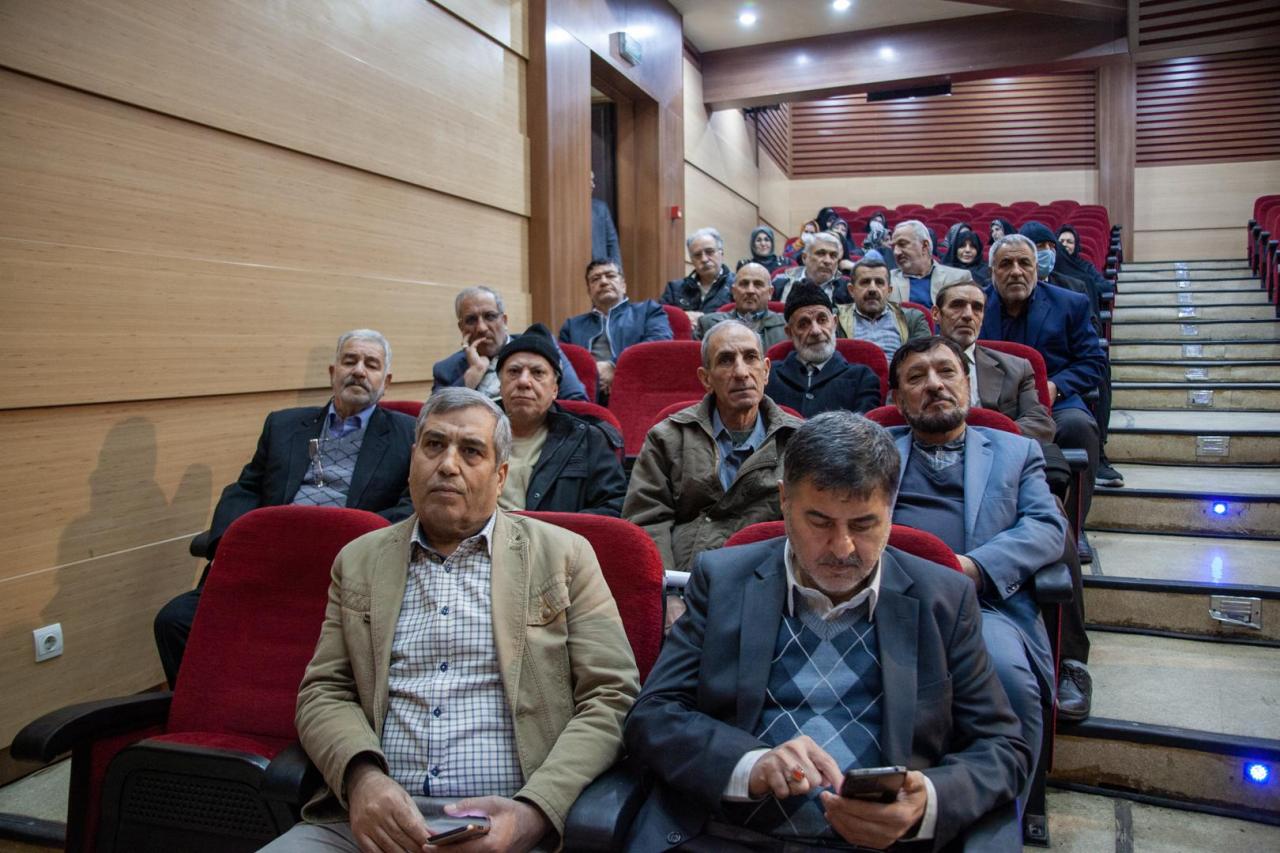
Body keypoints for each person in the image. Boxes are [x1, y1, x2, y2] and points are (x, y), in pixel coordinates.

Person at [623, 411, 1031, 851]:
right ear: (784, 500)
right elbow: (654, 715)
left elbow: (1002, 747)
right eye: (819, 522)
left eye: (863, 524)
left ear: (891, 508)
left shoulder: (944, 599)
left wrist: (926, 802)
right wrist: (748, 764)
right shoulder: (722, 580)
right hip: (724, 836)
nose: (842, 548)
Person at [260, 388, 640, 853]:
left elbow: (611, 695)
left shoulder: (564, 556)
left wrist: (536, 811)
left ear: (501, 476)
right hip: (371, 826)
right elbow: (323, 691)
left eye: (471, 451)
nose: (447, 465)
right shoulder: (359, 561)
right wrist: (361, 778)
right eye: (434, 445)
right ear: (412, 460)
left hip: (510, 828)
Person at [154, 330, 416, 688]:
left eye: (371, 364)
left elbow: (410, 506)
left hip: (346, 571)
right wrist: (230, 547)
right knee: (174, 620)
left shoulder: (408, 434)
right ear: (333, 372)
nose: (358, 370)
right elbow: (246, 488)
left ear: (386, 382)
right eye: (350, 360)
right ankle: (213, 703)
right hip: (270, 563)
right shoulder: (283, 425)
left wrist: (355, 543)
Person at [887, 335, 1068, 816]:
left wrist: (975, 567)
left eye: (946, 372)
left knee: (1008, 678)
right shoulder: (876, 450)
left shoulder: (1016, 451)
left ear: (967, 384)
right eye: (917, 377)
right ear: (898, 399)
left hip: (983, 605)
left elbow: (1046, 527)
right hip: (885, 598)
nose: (934, 384)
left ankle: (1003, 819)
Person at [623, 321, 801, 574]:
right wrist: (667, 587)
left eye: (750, 357)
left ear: (766, 370)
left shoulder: (799, 441)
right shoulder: (668, 437)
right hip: (687, 579)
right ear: (706, 378)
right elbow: (646, 521)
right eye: (726, 360)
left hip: (772, 577)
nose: (741, 372)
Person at [979, 233, 1105, 567]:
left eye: (1024, 263)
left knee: (1079, 427)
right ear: (992, 271)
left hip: (1053, 401)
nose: (1016, 271)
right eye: (1006, 264)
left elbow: (1093, 363)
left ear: (1037, 268)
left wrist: (1056, 386)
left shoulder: (1070, 304)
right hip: (991, 401)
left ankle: (1072, 527)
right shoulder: (975, 305)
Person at [494, 328, 627, 515]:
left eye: (537, 372)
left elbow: (614, 507)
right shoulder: (472, 435)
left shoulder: (588, 439)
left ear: (555, 390)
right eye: (514, 372)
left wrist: (555, 529)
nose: (523, 381)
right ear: (500, 386)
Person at [933, 281, 1054, 442]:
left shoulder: (1018, 368)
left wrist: (986, 441)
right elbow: (902, 419)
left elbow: (1039, 423)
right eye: (957, 305)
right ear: (936, 314)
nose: (968, 315)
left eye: (977, 308)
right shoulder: (910, 365)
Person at [433, 285, 588, 401]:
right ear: (461, 328)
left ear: (504, 321)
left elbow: (577, 401)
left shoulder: (541, 346)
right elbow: (432, 418)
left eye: (490, 316)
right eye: (471, 320)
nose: (481, 328)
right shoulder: (446, 369)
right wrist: (472, 375)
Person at [559, 259, 672, 400]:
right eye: (595, 279)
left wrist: (614, 366)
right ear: (589, 291)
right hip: (585, 396)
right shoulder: (572, 326)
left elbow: (659, 343)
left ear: (623, 285)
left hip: (637, 392)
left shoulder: (648, 311)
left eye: (610, 275)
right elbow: (562, 364)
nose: (603, 282)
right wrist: (592, 374)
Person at [764, 284, 881, 418]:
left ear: (834, 323)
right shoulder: (769, 376)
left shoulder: (862, 377)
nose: (816, 331)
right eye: (803, 324)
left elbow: (865, 429)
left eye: (822, 320)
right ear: (789, 332)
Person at [835, 257, 930, 361]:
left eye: (879, 282)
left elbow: (923, 360)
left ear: (889, 290)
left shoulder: (913, 319)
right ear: (851, 290)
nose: (872, 289)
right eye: (865, 282)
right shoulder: (835, 319)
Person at [696, 262, 787, 350]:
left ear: (770, 293)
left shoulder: (786, 326)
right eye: (744, 284)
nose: (750, 290)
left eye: (758, 284)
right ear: (734, 291)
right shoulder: (708, 325)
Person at [887, 220, 969, 307]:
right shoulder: (886, 280)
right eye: (893, 247)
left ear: (924, 246)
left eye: (902, 244)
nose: (896, 252)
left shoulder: (958, 279)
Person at [662, 227, 734, 320]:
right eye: (697, 255)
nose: (704, 259)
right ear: (692, 260)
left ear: (721, 254)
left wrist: (705, 319)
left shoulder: (738, 285)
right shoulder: (674, 289)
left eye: (709, 252)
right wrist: (683, 317)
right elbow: (658, 319)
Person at [772, 231, 851, 304]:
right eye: (821, 254)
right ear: (804, 257)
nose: (827, 261)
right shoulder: (781, 283)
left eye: (833, 256)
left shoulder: (847, 289)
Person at [590, 170, 622, 269]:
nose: (593, 185)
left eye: (593, 180)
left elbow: (612, 243)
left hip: (600, 270)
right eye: (589, 180)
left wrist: (617, 271)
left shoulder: (600, 208)